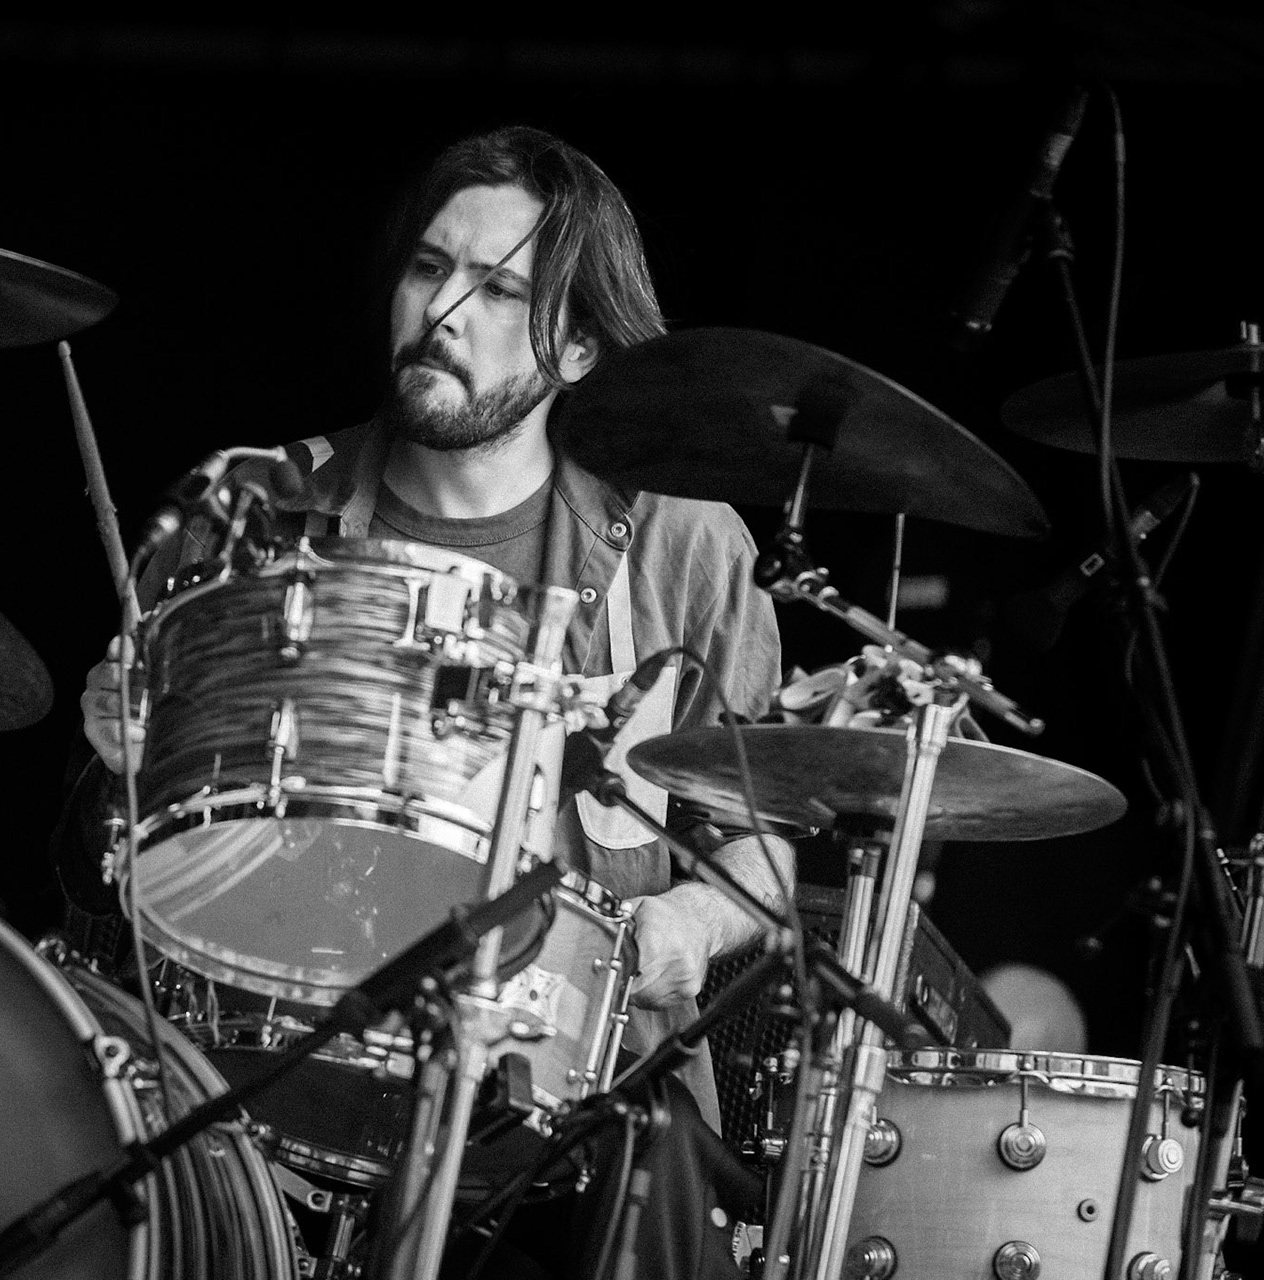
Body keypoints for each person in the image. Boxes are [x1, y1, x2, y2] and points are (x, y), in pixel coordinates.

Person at [65, 125, 790, 1277]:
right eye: (428, 267)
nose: (445, 311)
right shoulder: (264, 507)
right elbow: (116, 878)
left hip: (581, 1120)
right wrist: (123, 760)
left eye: (502, 289)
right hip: (266, 1085)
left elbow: (764, 852)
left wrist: (693, 925)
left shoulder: (684, 547)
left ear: (581, 345)